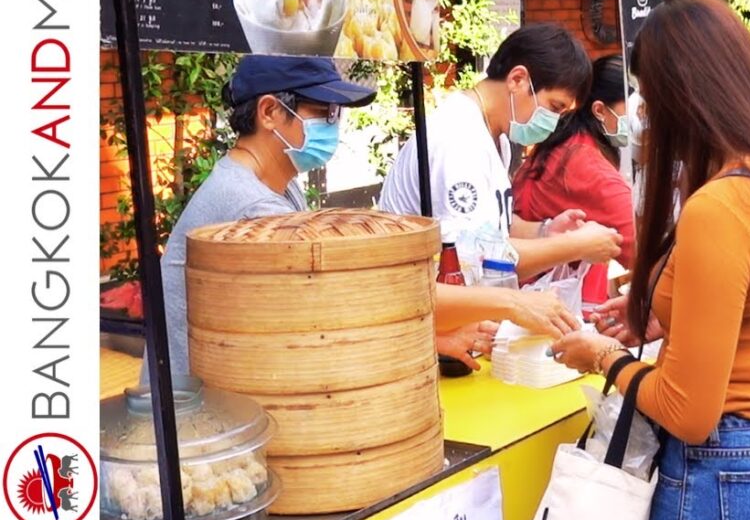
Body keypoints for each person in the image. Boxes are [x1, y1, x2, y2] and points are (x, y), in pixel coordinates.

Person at [551, 0, 750, 520]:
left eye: (646, 94)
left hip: (722, 483)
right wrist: (678, 317)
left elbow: (689, 413)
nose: (642, 112)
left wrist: (603, 357)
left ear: (683, 96)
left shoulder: (721, 207)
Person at [145, 56, 578, 381]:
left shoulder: (276, 183)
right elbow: (326, 319)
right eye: (324, 114)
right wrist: (512, 303)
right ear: (269, 112)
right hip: (201, 416)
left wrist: (433, 338)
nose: (336, 127)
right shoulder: (253, 209)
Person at [379, 23, 622, 280]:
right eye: (554, 106)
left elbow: (491, 228)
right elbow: (473, 262)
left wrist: (546, 231)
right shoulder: (460, 139)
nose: (553, 121)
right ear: (517, 80)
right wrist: (575, 246)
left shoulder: (496, 137)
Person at [513, 55, 636, 306]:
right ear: (599, 110)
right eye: (635, 108)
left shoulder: (561, 147)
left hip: (534, 294)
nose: (641, 119)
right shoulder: (587, 168)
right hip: (554, 307)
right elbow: (644, 250)